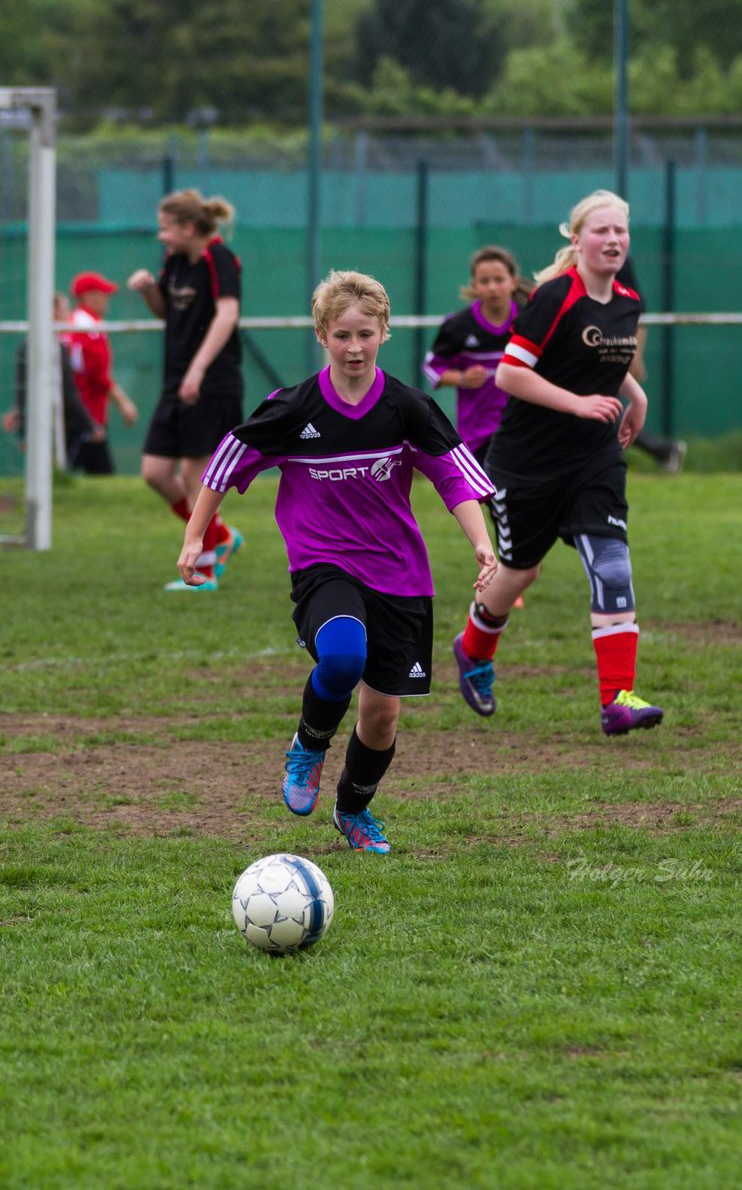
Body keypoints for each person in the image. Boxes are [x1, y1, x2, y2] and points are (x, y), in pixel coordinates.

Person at [175, 270, 497, 853]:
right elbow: (225, 463)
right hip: (324, 565)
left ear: (383, 334)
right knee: (344, 656)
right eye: (342, 335)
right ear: (322, 334)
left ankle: (353, 810)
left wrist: (480, 542)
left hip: (400, 574)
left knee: (381, 718)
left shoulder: (407, 407)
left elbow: (454, 474)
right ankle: (309, 744)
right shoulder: (292, 408)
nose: (354, 347)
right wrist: (195, 537)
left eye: (366, 335)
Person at [451, 189, 665, 737]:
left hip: (594, 457)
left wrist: (633, 398)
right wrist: (577, 403)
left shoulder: (627, 300)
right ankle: (473, 649)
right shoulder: (554, 296)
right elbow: (509, 373)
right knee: (521, 570)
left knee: (612, 563)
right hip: (527, 464)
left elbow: (600, 362)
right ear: (577, 239)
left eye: (621, 231)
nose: (613, 239)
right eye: (602, 231)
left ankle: (617, 699)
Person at [128, 190, 244, 591]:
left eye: (166, 228)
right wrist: (148, 289)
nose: (162, 237)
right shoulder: (175, 261)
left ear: (188, 228)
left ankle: (206, 570)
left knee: (197, 474)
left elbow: (227, 314)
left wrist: (198, 368)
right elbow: (166, 310)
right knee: (156, 472)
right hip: (176, 380)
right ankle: (222, 536)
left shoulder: (219, 258)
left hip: (211, 382)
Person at [422, 244, 531, 607]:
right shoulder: (458, 326)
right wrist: (458, 377)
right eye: (484, 281)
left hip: (524, 428)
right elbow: (431, 366)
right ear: (475, 286)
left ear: (512, 282)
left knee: (515, 500)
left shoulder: (530, 317)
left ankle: (513, 571)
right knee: (498, 500)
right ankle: (509, 572)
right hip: (478, 433)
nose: (492, 286)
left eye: (499, 279)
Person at [2, 292, 98, 470]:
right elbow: (66, 393)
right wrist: (90, 425)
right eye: (64, 309)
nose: (68, 315)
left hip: (50, 423)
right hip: (51, 423)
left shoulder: (45, 345)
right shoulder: (43, 347)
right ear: (52, 311)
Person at [62, 272, 138, 475]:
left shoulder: (77, 323)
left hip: (79, 409)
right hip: (85, 410)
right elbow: (97, 375)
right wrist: (123, 402)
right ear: (88, 296)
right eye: (103, 294)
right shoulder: (87, 327)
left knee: (96, 470)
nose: (107, 299)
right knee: (89, 468)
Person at [617, 259, 687, 473]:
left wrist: (635, 352)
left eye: (619, 230)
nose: (611, 237)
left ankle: (663, 450)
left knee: (601, 411)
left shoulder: (616, 259)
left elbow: (637, 307)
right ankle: (662, 450)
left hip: (615, 340)